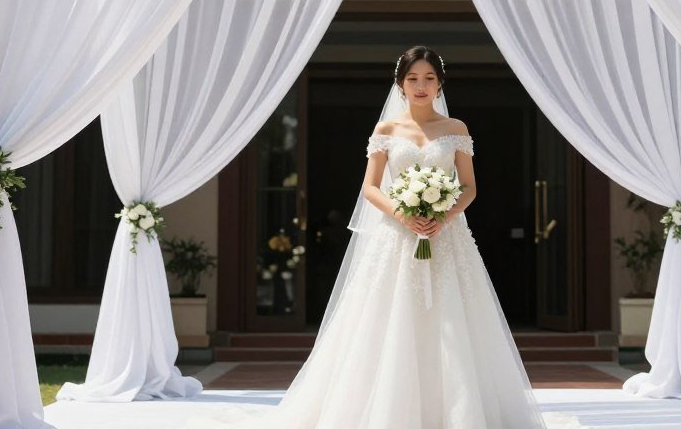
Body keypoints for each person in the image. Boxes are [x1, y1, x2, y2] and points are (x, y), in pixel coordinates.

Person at [192, 46, 574, 428]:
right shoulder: (386, 131)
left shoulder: (456, 130)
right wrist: (405, 216)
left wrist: (444, 213)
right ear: (400, 83)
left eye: (428, 78)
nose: (420, 86)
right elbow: (371, 188)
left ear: (440, 83)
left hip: (447, 235)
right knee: (390, 321)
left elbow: (470, 187)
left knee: (453, 320)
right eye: (413, 79)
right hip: (398, 235)